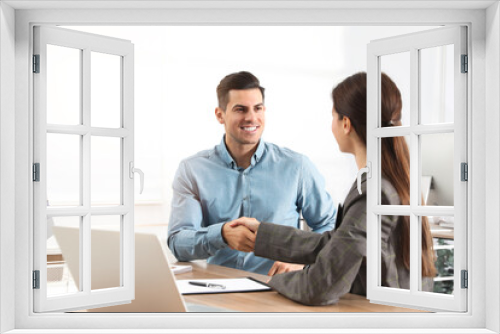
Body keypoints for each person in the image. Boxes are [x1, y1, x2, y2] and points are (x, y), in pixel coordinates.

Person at [228, 72, 436, 305]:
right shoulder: (390, 180)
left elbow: (320, 286)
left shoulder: (374, 192)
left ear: (345, 124)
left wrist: (269, 281)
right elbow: (339, 244)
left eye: (333, 116)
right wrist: (262, 234)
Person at [167, 71, 337, 276]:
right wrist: (221, 235)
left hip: (279, 288)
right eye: (240, 109)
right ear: (220, 115)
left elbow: (329, 226)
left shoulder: (297, 166)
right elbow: (178, 242)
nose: (251, 118)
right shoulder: (192, 170)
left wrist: (303, 260)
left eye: (258, 108)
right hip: (216, 288)